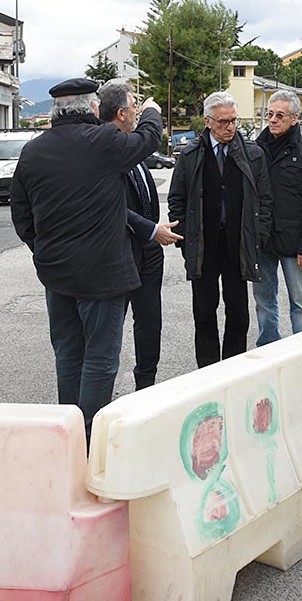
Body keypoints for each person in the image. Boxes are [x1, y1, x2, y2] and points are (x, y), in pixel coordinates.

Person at [11, 78, 162, 441]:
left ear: (55, 111)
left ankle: (69, 435)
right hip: (103, 274)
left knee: (67, 354)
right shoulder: (104, 143)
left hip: (56, 274)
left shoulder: (33, 150)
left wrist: (44, 250)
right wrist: (152, 112)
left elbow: (21, 215)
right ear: (93, 108)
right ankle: (90, 438)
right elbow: (148, 140)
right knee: (100, 359)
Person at [168, 91, 272, 367]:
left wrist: (258, 237)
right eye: (223, 122)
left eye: (233, 121)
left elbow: (265, 199)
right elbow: (176, 199)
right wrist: (184, 240)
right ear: (208, 121)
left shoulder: (253, 154)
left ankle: (233, 367)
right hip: (203, 243)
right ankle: (208, 368)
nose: (229, 127)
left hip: (239, 243)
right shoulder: (190, 154)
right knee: (204, 310)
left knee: (238, 310)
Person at [97, 79, 183, 389]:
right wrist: (150, 231)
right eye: (134, 107)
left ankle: (146, 385)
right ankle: (101, 392)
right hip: (121, 252)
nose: (137, 111)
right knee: (111, 327)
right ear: (121, 113)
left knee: (149, 324)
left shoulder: (128, 148)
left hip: (148, 253)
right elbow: (112, 208)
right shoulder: (104, 151)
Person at [253, 90, 302, 346]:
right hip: (262, 240)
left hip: (295, 244)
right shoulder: (256, 148)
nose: (273, 120)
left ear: (295, 119)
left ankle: (301, 350)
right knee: (263, 301)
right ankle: (269, 348)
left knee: (300, 303)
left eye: (279, 115)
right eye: (269, 114)